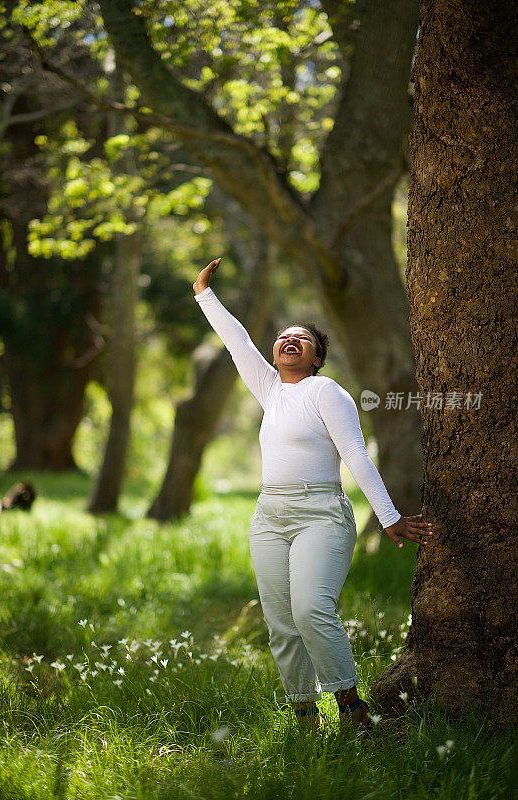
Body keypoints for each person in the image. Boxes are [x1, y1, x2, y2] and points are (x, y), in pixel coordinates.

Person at [192, 258, 432, 733]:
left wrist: (388, 516)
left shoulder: (326, 392)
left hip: (320, 513)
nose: (290, 340)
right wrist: (203, 294)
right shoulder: (269, 390)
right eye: (284, 336)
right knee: (281, 622)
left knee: (310, 609)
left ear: (317, 357)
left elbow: (358, 456)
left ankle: (352, 709)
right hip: (268, 515)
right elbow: (237, 341)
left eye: (302, 339)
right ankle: (304, 716)